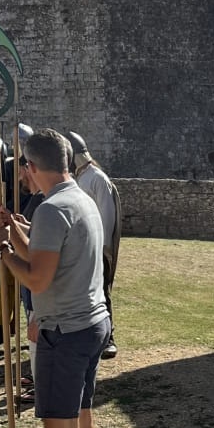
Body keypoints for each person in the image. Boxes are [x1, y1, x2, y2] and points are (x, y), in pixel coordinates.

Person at [0, 128, 110, 428]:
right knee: (81, 423)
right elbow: (48, 257)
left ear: (30, 167)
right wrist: (18, 231)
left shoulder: (52, 209)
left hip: (66, 333)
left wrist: (1, 248)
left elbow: (37, 278)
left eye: (23, 165)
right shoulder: (79, 199)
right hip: (92, 324)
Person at [67, 131, 122, 359]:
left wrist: (102, 251)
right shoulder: (79, 178)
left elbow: (106, 217)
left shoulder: (97, 179)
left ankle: (109, 339)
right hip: (81, 250)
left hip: (97, 250)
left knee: (101, 293)